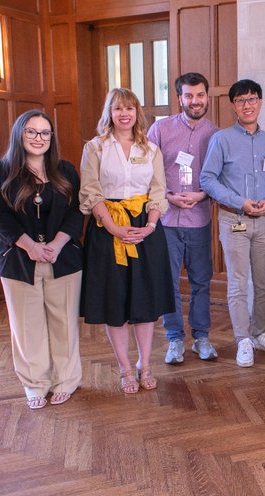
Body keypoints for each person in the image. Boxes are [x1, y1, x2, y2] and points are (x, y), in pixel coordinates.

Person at [0, 110, 84, 409]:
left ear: (52, 137)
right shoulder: (0, 171)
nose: (39, 138)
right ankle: (35, 384)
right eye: (31, 131)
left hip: (62, 258)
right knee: (27, 327)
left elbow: (77, 210)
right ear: (19, 134)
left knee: (65, 323)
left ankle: (67, 380)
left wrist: (57, 244)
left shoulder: (65, 170)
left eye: (45, 132)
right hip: (18, 259)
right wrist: (30, 246)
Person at [79, 88, 175, 394]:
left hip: (145, 229)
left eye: (130, 108)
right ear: (109, 112)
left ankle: (145, 364)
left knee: (144, 298)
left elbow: (158, 190)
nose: (124, 114)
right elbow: (90, 191)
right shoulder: (94, 148)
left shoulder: (151, 149)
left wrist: (150, 226)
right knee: (115, 299)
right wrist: (111, 226)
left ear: (137, 113)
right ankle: (124, 368)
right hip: (106, 228)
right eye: (118, 108)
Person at [200, 79, 265, 367]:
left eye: (252, 99)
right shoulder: (221, 139)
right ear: (233, 105)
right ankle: (243, 340)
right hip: (233, 220)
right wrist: (240, 202)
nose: (247, 105)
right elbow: (207, 179)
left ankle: (261, 333)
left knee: (264, 282)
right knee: (238, 284)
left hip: (264, 221)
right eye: (241, 100)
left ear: (260, 102)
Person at [147, 72, 220, 364]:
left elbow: (220, 177)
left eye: (200, 95)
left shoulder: (216, 135)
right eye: (189, 95)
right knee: (169, 282)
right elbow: (146, 172)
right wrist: (168, 196)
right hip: (166, 220)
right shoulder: (160, 129)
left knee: (201, 281)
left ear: (207, 97)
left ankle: (201, 337)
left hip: (199, 218)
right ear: (180, 98)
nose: (195, 101)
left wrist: (201, 195)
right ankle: (175, 339)